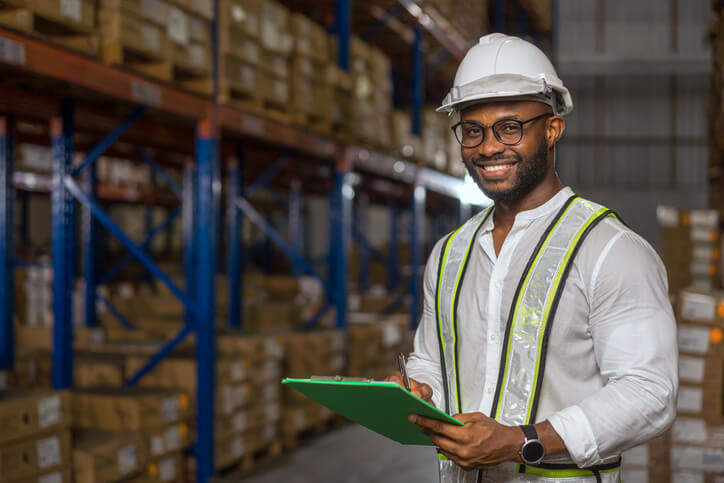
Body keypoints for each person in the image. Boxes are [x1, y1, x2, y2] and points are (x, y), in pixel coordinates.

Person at [386, 33, 678, 483]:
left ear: (553, 129)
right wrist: (421, 390)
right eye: (472, 129)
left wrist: (520, 440)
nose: (487, 147)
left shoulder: (610, 251)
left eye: (509, 127)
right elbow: (433, 359)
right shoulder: (449, 254)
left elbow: (649, 394)